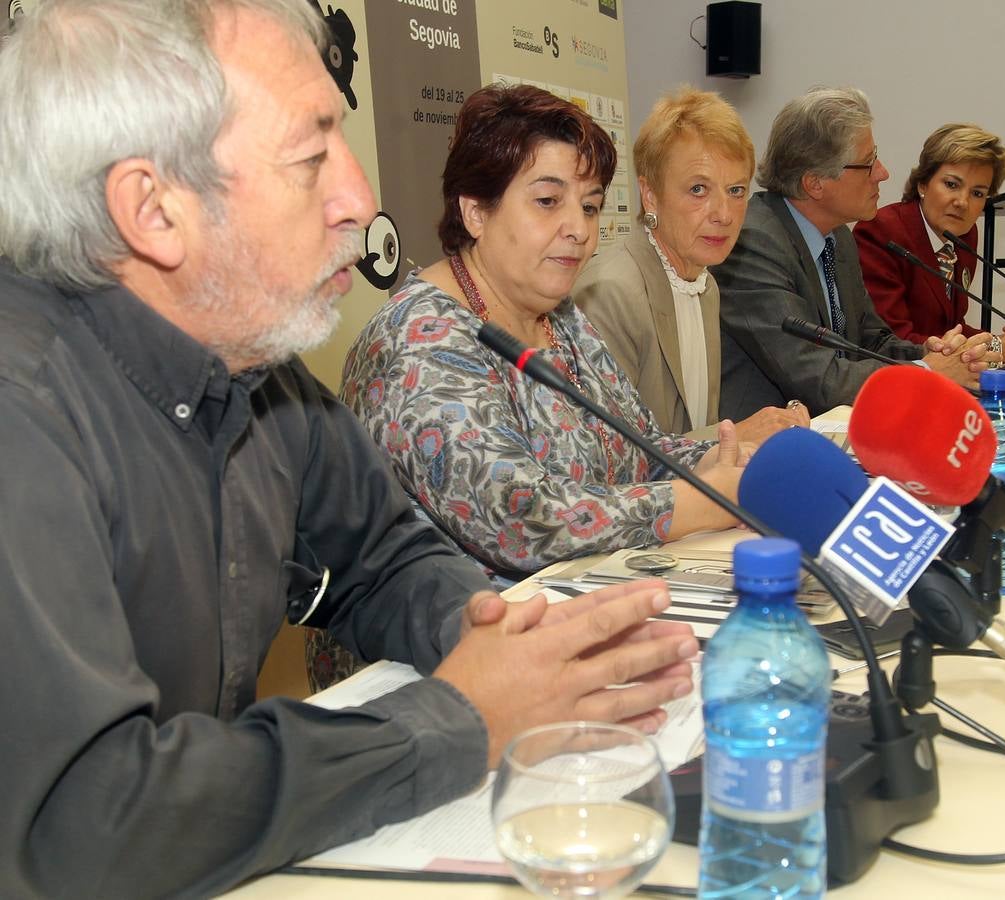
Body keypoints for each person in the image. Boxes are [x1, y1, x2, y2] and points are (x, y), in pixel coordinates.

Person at [0, 2, 698, 896]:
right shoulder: (24, 416)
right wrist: (456, 720)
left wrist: (501, 639)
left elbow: (382, 556)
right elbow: (90, 817)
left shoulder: (258, 366)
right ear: (153, 209)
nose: (361, 201)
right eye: (310, 156)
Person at [343, 84, 747, 582]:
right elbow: (523, 518)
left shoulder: (560, 316)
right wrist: (696, 502)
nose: (578, 228)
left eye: (591, 206)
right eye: (549, 201)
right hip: (443, 646)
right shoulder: (415, 340)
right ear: (476, 212)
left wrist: (725, 460)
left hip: (579, 605)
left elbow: (643, 451)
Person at [712, 87, 996, 420]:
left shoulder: (838, 237)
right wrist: (925, 371)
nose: (883, 173)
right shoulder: (753, 245)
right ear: (815, 183)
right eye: (868, 163)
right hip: (763, 450)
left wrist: (937, 354)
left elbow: (871, 341)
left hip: (831, 432)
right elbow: (818, 378)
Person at [575, 87, 810, 439]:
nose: (724, 215)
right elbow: (611, 459)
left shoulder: (704, 284)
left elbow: (694, 429)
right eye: (699, 190)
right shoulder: (611, 294)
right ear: (651, 195)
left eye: (736, 191)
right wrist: (735, 435)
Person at [853, 123, 1005, 362]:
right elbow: (893, 342)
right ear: (923, 183)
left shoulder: (964, 236)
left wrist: (996, 340)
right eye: (952, 185)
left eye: (977, 193)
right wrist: (997, 348)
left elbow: (949, 328)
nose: (962, 202)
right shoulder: (882, 232)